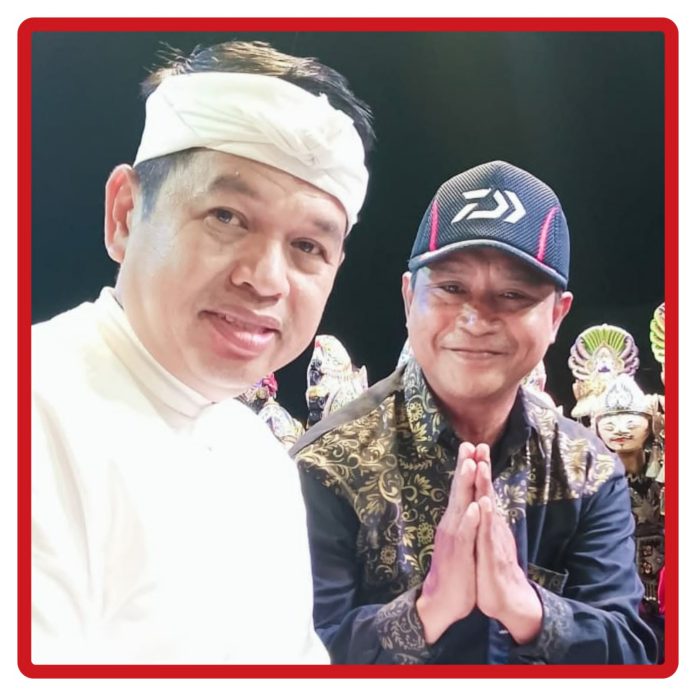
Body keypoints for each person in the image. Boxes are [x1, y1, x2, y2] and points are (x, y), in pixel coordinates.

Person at [31, 40, 374, 664]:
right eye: (227, 217)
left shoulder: (258, 458)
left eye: (308, 247)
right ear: (125, 213)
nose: (265, 279)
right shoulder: (36, 412)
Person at [292, 160, 658, 664]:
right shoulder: (325, 465)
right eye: (451, 288)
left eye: (512, 295)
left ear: (557, 316)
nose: (477, 318)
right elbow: (293, 653)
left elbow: (633, 655)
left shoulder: (588, 469)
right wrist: (429, 610)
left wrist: (527, 607)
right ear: (409, 298)